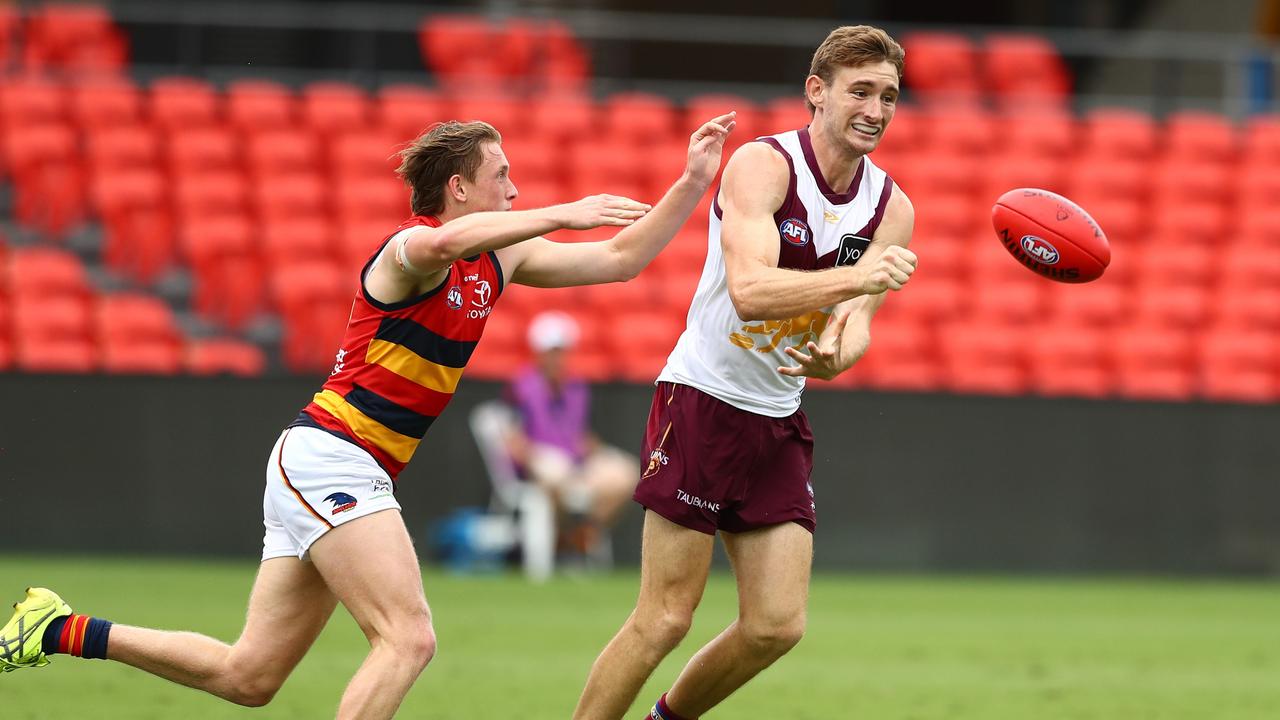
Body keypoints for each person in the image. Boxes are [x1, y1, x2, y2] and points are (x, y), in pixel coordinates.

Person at [0, 110, 736, 719]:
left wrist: (691, 183)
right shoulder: (409, 247)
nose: (515, 188)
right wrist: (568, 211)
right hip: (331, 456)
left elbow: (620, 262)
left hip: (332, 465)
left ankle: (61, 628)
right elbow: (445, 241)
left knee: (249, 677)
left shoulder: (500, 260)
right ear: (458, 187)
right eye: (501, 176)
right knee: (408, 638)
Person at [572, 25, 917, 720]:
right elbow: (751, 292)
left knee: (776, 625)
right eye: (860, 91)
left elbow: (854, 332)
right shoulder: (764, 166)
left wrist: (834, 355)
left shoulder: (893, 209)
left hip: (777, 417)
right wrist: (852, 280)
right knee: (665, 618)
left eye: (888, 95)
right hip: (701, 401)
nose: (876, 110)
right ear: (816, 93)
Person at [504, 310, 638, 559]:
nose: (557, 358)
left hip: (574, 465)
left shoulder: (577, 388)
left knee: (625, 472)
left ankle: (581, 534)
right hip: (541, 464)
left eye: (561, 351)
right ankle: (565, 539)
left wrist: (596, 452)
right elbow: (513, 436)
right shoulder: (522, 386)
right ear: (539, 353)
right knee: (555, 471)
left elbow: (578, 434)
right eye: (552, 351)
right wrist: (530, 456)